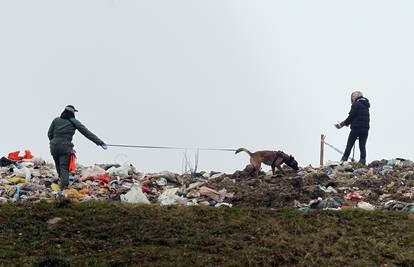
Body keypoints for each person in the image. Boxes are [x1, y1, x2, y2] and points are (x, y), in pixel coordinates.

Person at [48, 105, 107, 190]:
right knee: (64, 167)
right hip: (65, 147)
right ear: (72, 113)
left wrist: (54, 142)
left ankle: (61, 183)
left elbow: (49, 134)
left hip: (53, 146)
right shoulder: (74, 122)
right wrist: (100, 142)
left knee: (58, 166)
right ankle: (63, 189)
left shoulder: (56, 120)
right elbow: (86, 133)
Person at [335, 91, 370, 165]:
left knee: (349, 144)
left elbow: (351, 116)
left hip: (356, 128)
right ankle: (362, 161)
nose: (352, 98)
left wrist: (343, 124)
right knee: (362, 146)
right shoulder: (366, 105)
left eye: (353, 96)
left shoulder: (356, 104)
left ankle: (344, 160)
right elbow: (359, 116)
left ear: (358, 96)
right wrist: (350, 122)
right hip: (365, 129)